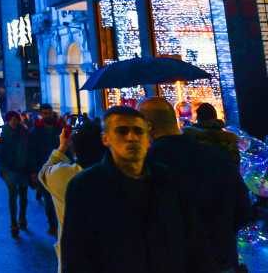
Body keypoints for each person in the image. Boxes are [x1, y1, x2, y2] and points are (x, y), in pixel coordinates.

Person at [60, 106, 214, 273]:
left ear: (148, 139)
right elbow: (76, 255)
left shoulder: (170, 179)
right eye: (122, 131)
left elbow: (195, 241)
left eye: (139, 131)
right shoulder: (85, 186)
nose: (132, 137)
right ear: (105, 138)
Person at [139, 97, 251, 273]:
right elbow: (243, 210)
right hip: (221, 259)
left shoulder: (147, 166)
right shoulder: (217, 156)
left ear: (148, 126)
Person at [38, 118, 104, 270]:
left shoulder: (62, 175)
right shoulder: (117, 176)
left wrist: (62, 147)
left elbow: (44, 172)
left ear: (75, 148)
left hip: (73, 255)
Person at [28, 103, 62, 236]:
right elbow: (32, 152)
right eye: (45, 113)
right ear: (41, 114)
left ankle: (60, 222)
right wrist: (33, 171)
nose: (48, 115)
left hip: (59, 167)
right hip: (43, 168)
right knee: (48, 199)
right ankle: (53, 224)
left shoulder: (59, 129)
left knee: (58, 197)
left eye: (49, 113)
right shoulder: (35, 131)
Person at [0, 110, 31, 237]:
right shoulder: (4, 133)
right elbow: (0, 153)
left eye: (15, 119)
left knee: (23, 195)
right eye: (11, 119)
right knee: (13, 195)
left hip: (22, 168)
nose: (14, 121)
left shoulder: (24, 132)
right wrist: (1, 168)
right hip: (9, 169)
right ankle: (14, 223)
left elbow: (29, 149)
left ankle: (22, 218)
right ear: (8, 120)